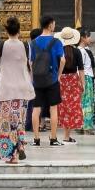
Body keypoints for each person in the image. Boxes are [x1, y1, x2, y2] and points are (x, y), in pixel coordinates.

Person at [0, 16, 34, 164]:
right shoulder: (26, 46)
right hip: (21, 88)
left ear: (6, 30)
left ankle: (12, 156)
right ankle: (20, 145)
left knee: (6, 123)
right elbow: (28, 64)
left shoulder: (1, 46)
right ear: (19, 29)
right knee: (19, 121)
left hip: (6, 88)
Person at [30, 17, 65, 146]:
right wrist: (59, 75)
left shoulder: (33, 43)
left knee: (36, 108)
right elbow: (62, 60)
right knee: (53, 108)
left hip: (37, 80)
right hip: (52, 79)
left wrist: (32, 78)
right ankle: (53, 138)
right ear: (50, 26)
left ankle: (36, 139)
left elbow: (30, 62)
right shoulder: (56, 42)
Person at [56, 26, 86, 138]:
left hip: (62, 80)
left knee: (63, 106)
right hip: (73, 80)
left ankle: (66, 135)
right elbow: (81, 69)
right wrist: (83, 83)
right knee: (73, 106)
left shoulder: (59, 50)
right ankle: (67, 136)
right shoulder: (77, 51)